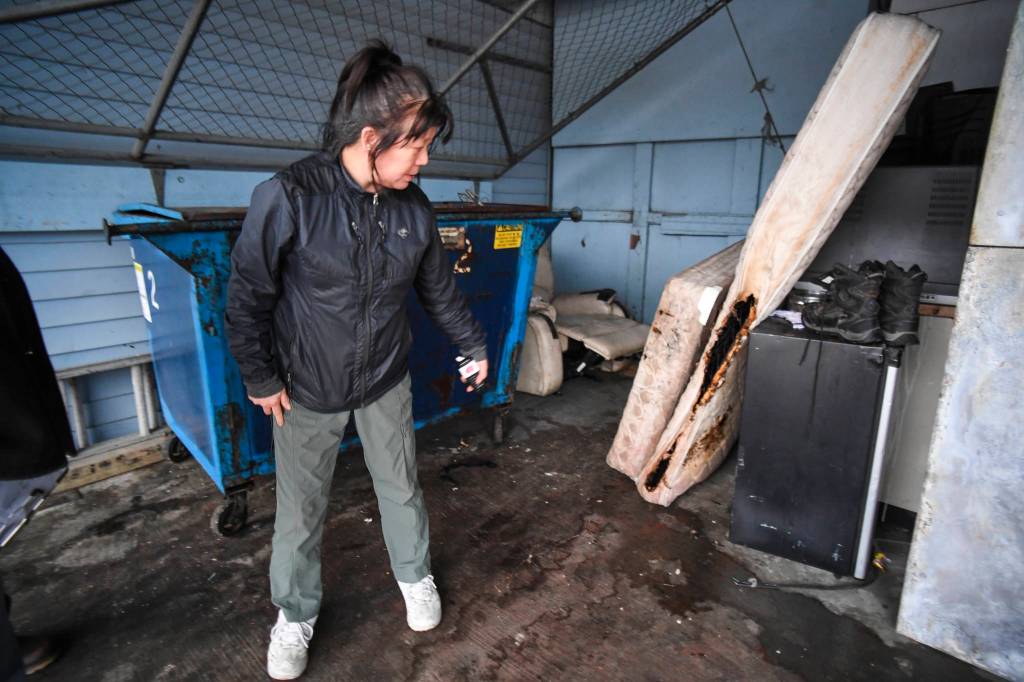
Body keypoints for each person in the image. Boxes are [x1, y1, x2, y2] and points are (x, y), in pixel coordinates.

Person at [226, 41, 488, 680]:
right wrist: (260, 376)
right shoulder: (290, 196)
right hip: (306, 386)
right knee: (301, 510)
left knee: (401, 485)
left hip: (383, 379)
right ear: (372, 138)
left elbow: (438, 290)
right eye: (416, 147)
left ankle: (415, 577)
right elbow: (246, 297)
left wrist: (472, 344)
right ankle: (294, 614)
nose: (425, 161)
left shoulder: (413, 208)